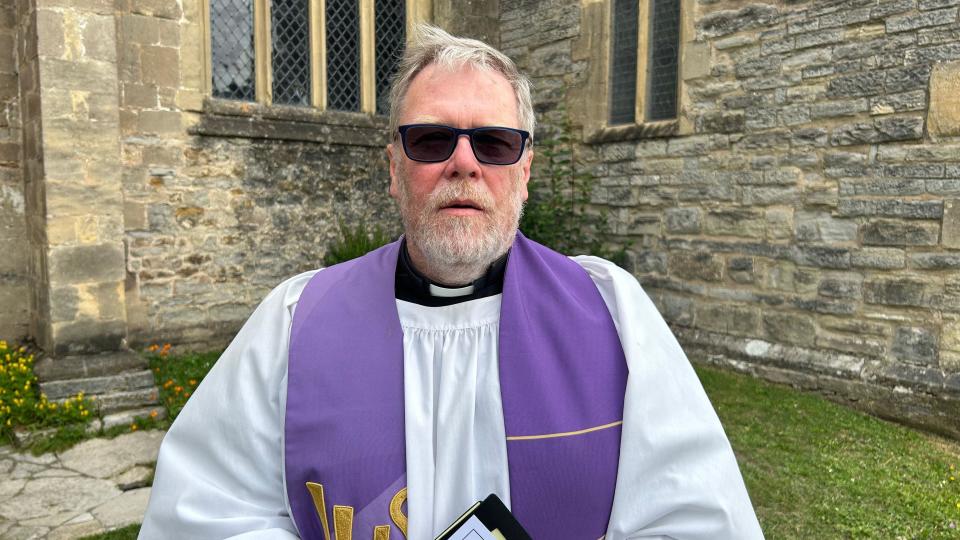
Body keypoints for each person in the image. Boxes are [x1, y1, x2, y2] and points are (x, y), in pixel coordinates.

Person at [140, 24, 763, 540]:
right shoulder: (294, 322)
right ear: (393, 168)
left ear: (524, 174)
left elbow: (694, 518)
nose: (463, 162)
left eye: (493, 143)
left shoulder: (613, 316)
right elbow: (207, 513)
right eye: (431, 139)